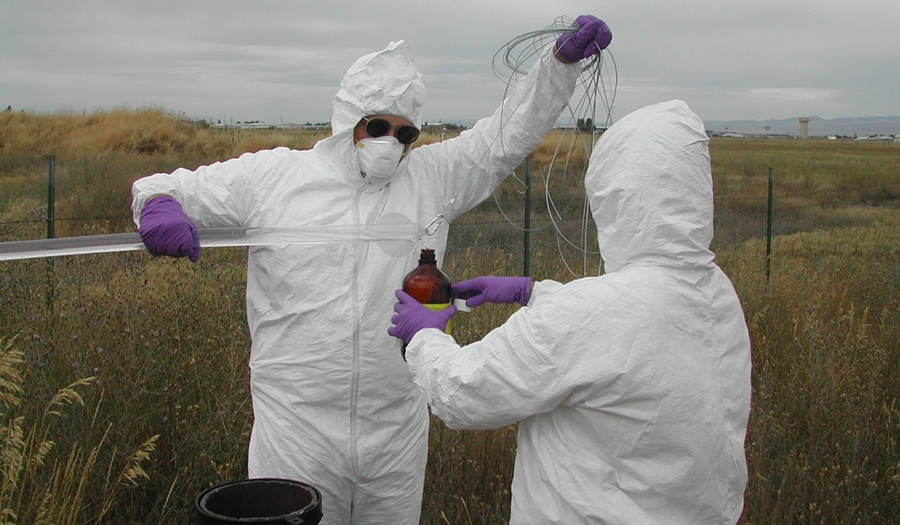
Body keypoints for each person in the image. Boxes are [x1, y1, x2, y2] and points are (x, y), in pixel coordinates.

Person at [131, 16, 612, 525]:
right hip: (297, 427)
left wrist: (559, 67)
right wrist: (158, 204)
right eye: (378, 126)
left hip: (396, 429)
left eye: (405, 132)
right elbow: (163, 184)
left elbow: (504, 137)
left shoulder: (430, 177)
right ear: (348, 121)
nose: (392, 142)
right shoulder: (274, 177)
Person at [388, 100, 752, 524]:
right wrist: (536, 293)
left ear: (617, 195)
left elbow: (465, 394)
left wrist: (424, 336)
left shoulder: (597, 314)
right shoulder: (714, 290)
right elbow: (626, 332)